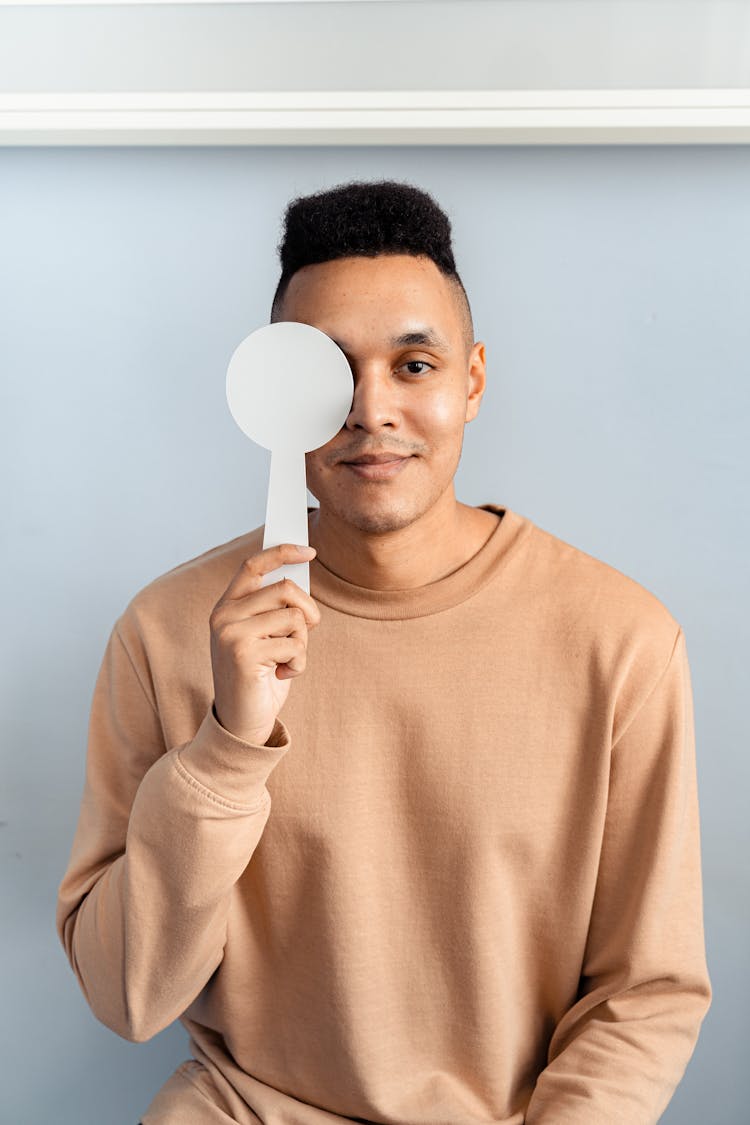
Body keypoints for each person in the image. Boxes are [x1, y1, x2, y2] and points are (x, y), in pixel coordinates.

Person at [56, 179, 712, 1124]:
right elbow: (126, 996)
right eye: (326, 369)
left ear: (472, 380)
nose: (369, 409)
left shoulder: (624, 644)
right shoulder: (165, 633)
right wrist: (226, 747)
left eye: (413, 365)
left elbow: (646, 992)